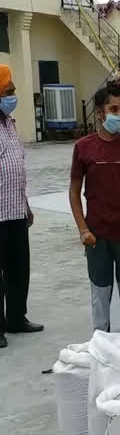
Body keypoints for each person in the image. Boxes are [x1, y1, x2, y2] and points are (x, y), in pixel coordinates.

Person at [69, 81, 120, 333]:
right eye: (114, 109)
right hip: (97, 237)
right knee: (100, 298)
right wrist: (83, 229)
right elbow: (73, 191)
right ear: (100, 113)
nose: (119, 114)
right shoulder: (83, 147)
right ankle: (101, 346)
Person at [0, 64, 43, 348]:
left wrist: (26, 204)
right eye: (8, 91)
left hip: (15, 208)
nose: (13, 96)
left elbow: (17, 168)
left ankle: (16, 317)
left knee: (18, 267)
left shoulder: (11, 124)